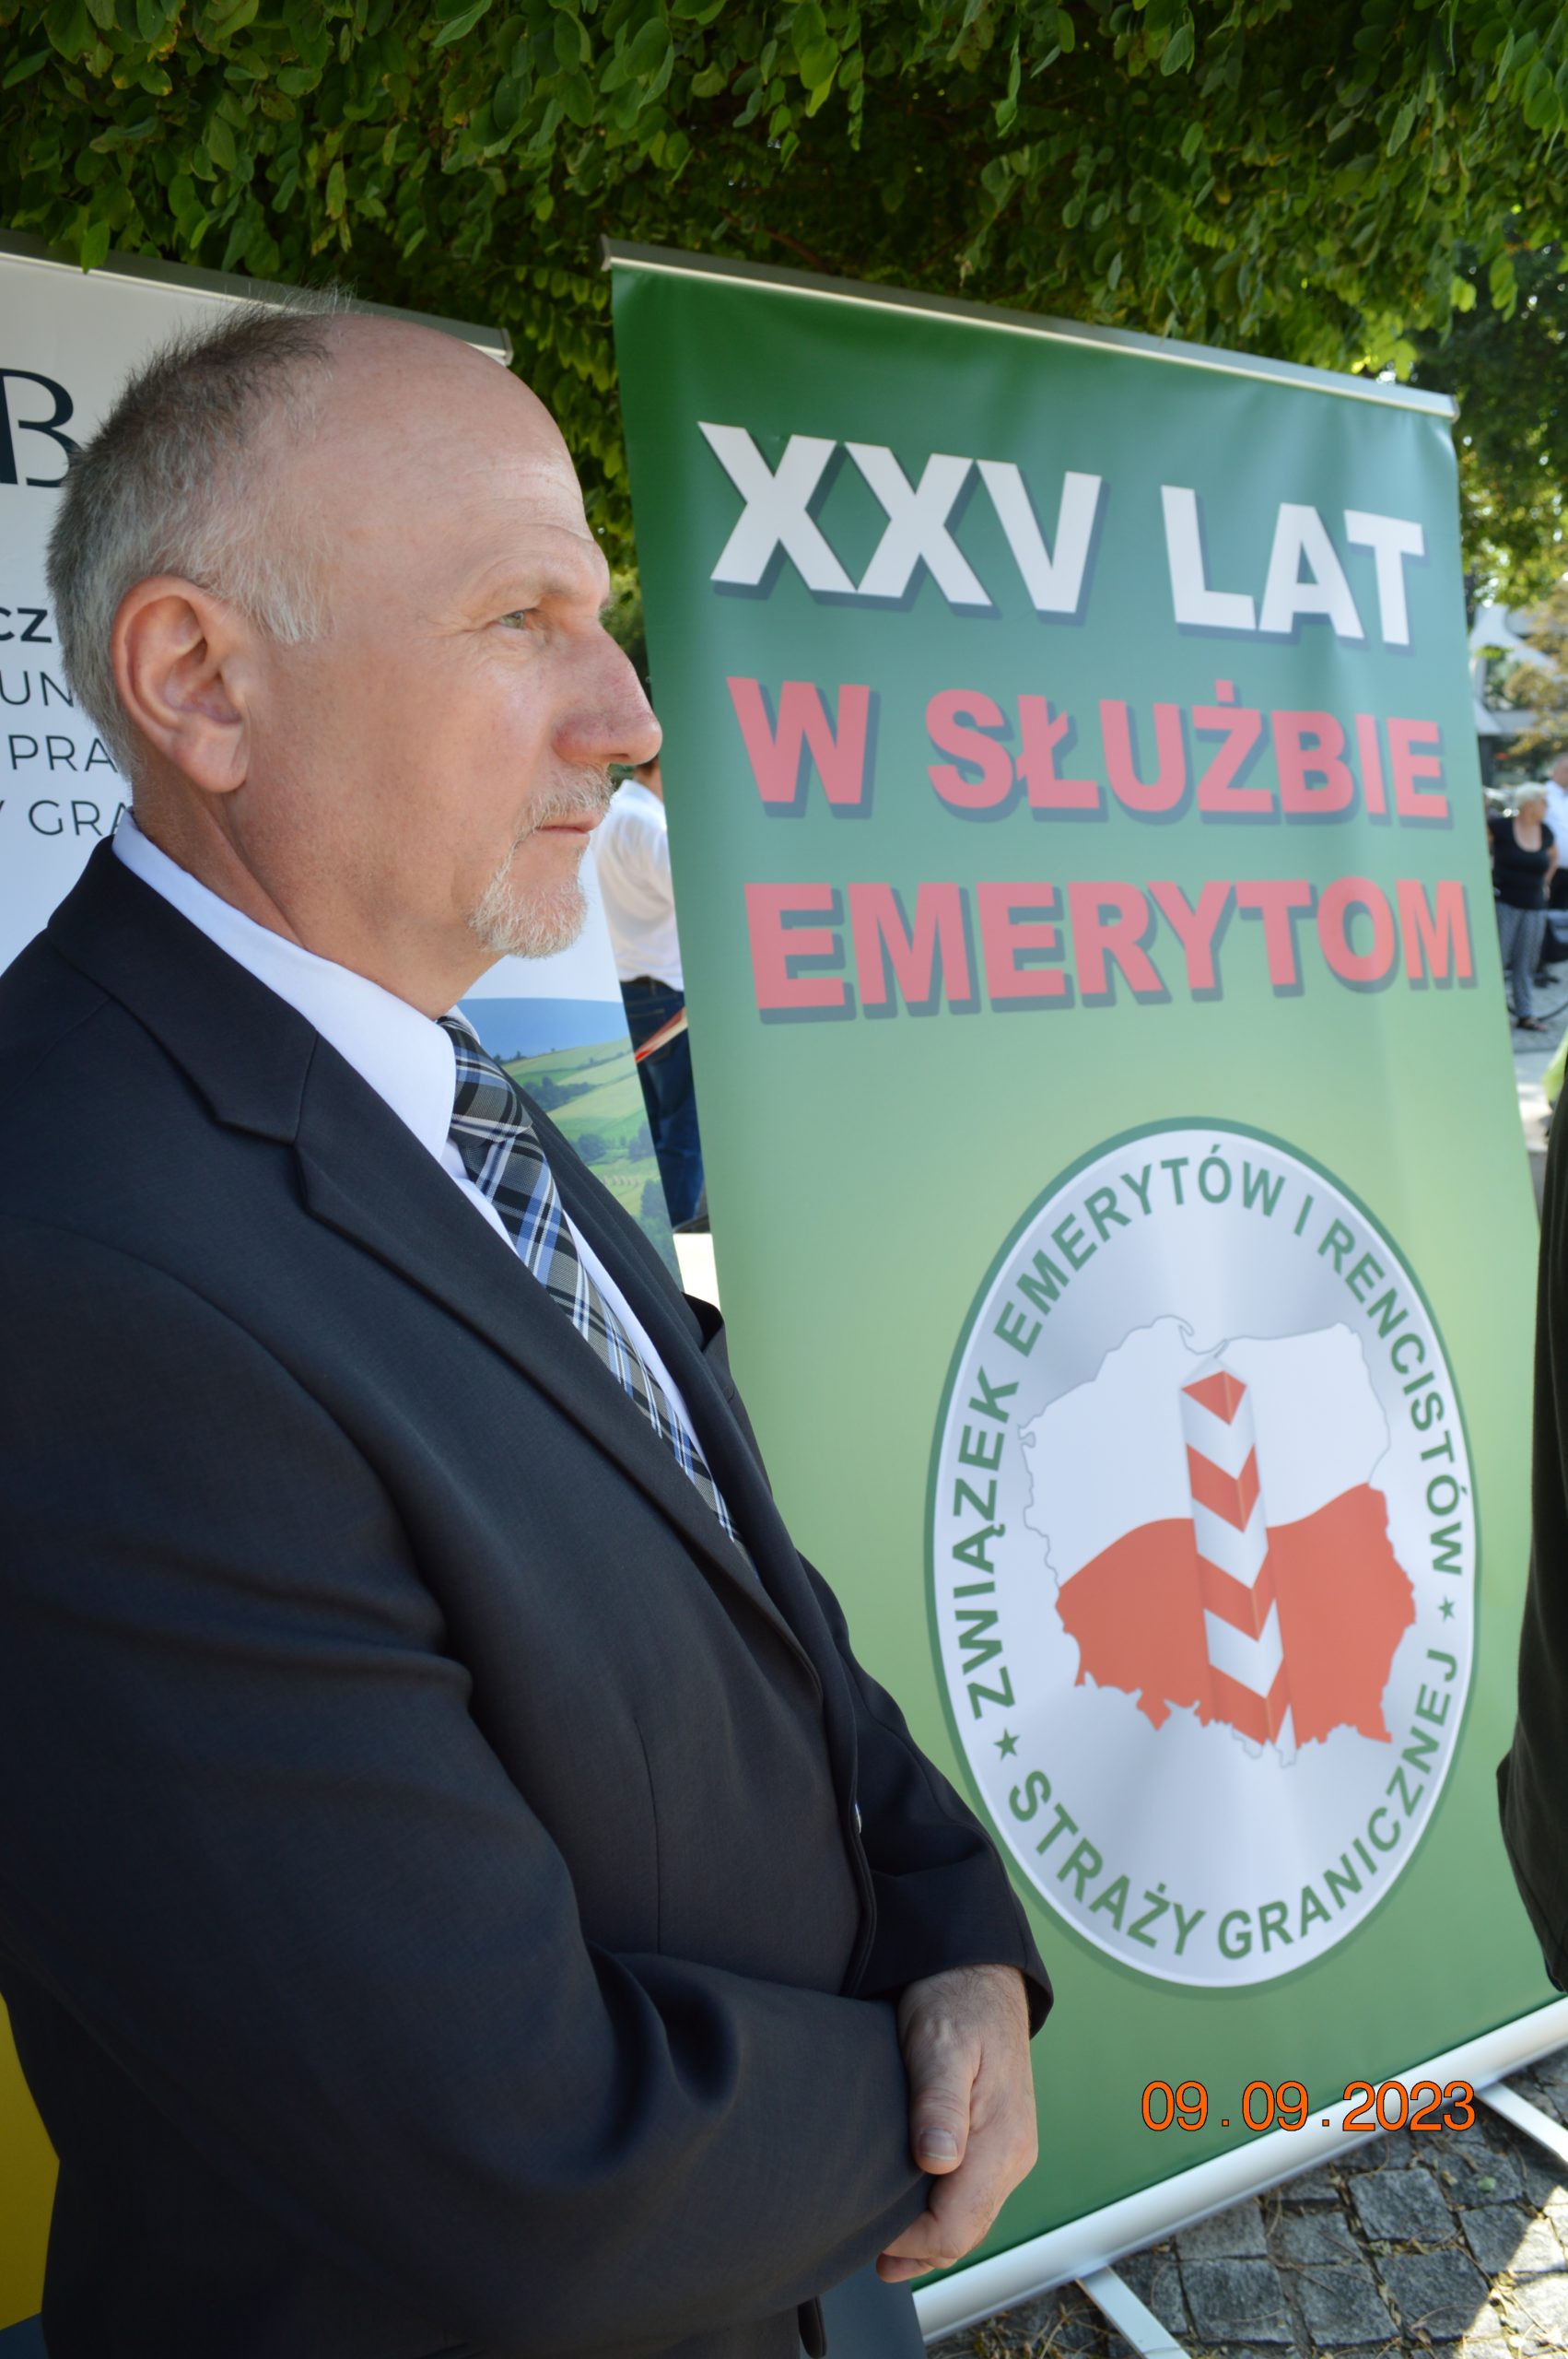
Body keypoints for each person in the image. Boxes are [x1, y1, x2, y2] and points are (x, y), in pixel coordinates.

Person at [0, 299, 1047, 2359]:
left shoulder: (422, 1069)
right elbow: (510, 2156)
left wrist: (962, 1939)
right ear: (198, 681)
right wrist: (924, 2105)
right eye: (520, 619)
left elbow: (746, 1600)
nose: (630, 714)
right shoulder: (74, 1260)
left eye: (601, 617)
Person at [596, 753, 706, 1226]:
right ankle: (674, 1237)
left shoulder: (611, 814)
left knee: (654, 1129)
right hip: (667, 994)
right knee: (682, 1132)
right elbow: (700, 903)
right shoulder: (652, 827)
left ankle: (652, 1234)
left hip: (630, 988)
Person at [1490, 787, 1558, 1029]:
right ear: (1529, 804)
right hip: (1505, 902)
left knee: (1526, 962)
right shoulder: (1501, 828)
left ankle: (1525, 1013)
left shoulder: (1545, 831)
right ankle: (1489, 1011)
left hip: (1534, 905)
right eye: (1543, 802)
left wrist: (1546, 883)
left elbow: (1554, 857)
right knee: (1497, 960)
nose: (1547, 807)